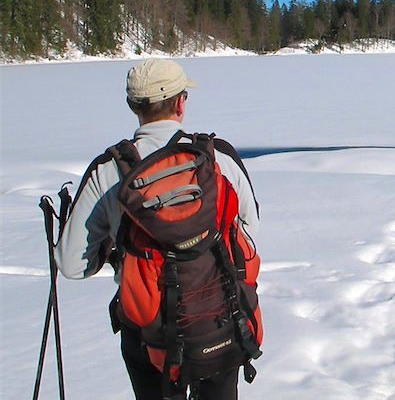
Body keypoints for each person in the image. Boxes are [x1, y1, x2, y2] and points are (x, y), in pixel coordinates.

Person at [55, 58, 260, 400]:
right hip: (220, 318)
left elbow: (72, 265)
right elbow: (249, 231)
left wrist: (112, 251)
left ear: (133, 105)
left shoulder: (108, 171)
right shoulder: (218, 157)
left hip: (146, 327)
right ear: (181, 102)